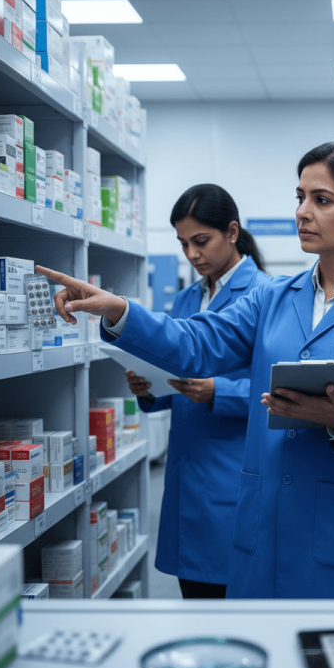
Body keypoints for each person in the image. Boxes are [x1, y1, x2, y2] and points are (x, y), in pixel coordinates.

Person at [38, 140, 334, 600]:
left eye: (322, 200)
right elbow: (196, 342)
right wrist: (120, 310)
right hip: (269, 525)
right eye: (300, 197)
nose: (302, 212)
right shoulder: (274, 298)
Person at [125, 184, 268, 599]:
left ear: (232, 232)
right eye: (184, 243)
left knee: (233, 597)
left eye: (201, 241)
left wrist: (219, 392)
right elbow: (175, 371)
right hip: (187, 472)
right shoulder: (187, 299)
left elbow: (277, 389)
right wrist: (148, 386)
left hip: (232, 470)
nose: (191, 254)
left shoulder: (266, 295)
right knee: (195, 598)